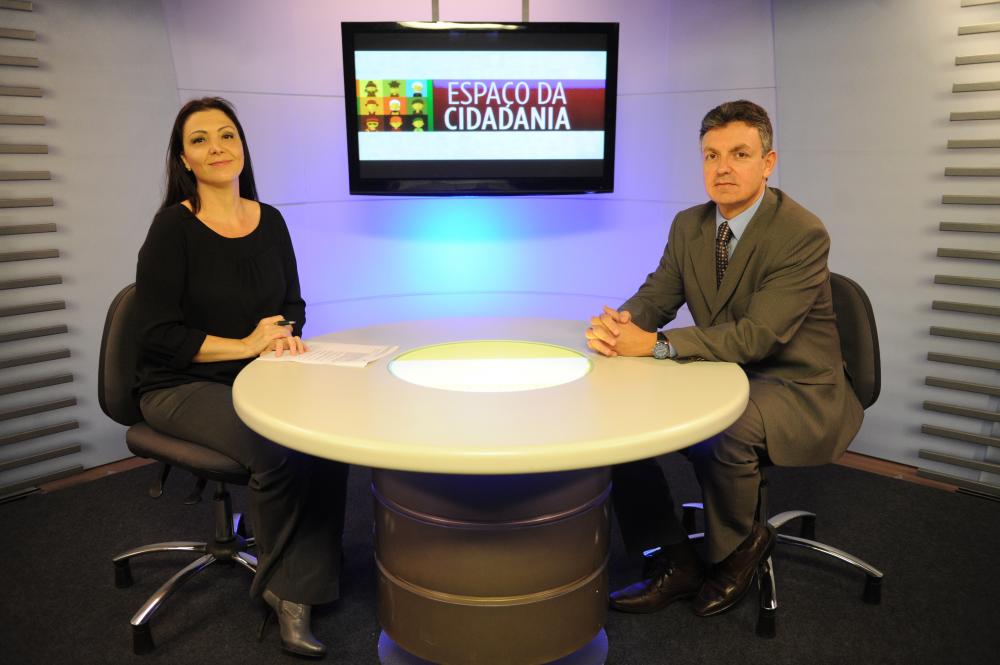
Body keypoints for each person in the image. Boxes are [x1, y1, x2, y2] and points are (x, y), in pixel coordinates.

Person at [585, 100, 863, 617]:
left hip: (794, 385)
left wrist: (658, 345)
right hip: (720, 369)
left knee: (725, 429)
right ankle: (672, 556)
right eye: (711, 155)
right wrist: (620, 327)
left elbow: (759, 337)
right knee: (618, 420)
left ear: (768, 162)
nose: (723, 168)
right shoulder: (689, 225)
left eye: (739, 154)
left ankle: (737, 549)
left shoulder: (801, 233)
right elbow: (657, 296)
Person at [134, 97, 349, 658]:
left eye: (226, 135)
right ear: (184, 159)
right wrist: (247, 345)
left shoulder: (269, 219)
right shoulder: (173, 228)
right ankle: (286, 593)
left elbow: (293, 303)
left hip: (259, 376)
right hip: (177, 385)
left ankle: (315, 572)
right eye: (200, 140)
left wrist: (282, 334)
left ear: (242, 147)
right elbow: (157, 334)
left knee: (329, 439)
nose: (216, 148)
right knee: (276, 449)